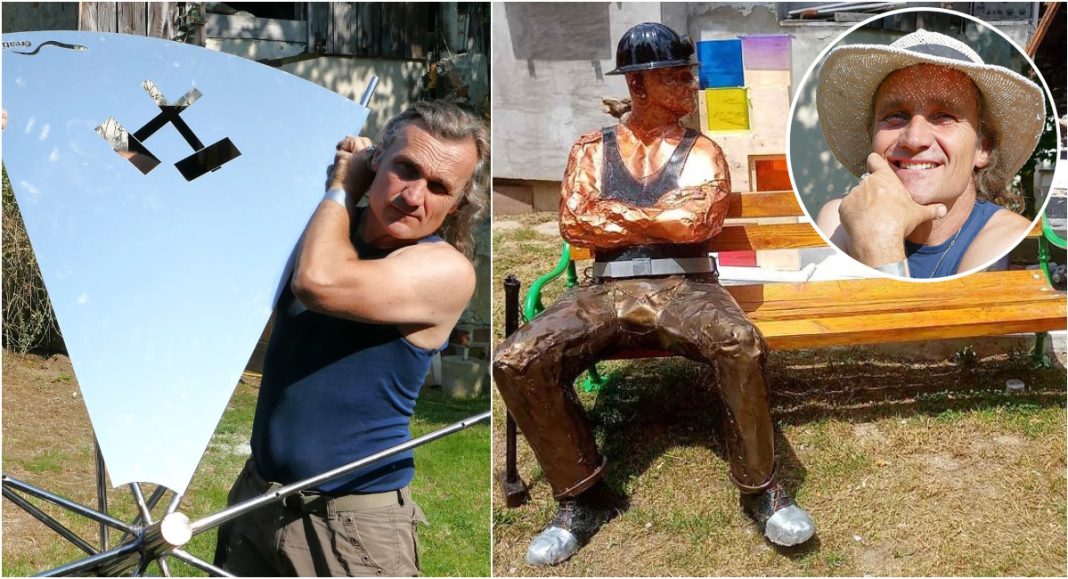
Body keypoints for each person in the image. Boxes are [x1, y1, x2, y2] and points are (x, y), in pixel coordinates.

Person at [492, 23, 815, 567]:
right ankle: (581, 497)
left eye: (689, 75)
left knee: (739, 342)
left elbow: (698, 222)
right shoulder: (592, 149)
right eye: (676, 77)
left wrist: (616, 216)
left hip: (686, 285)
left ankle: (762, 489)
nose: (692, 86)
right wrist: (657, 215)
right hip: (603, 289)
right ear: (638, 85)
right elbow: (576, 222)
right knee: (517, 358)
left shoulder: (703, 150)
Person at [214, 100, 489, 576]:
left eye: (439, 187)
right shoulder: (326, 229)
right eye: (406, 168)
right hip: (258, 498)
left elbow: (318, 282)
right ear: (377, 158)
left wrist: (343, 184)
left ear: (457, 204)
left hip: (350, 523)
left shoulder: (445, 271)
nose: (414, 195)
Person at [814, 29, 1045, 278]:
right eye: (895, 116)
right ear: (872, 138)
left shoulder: (1008, 240)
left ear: (983, 148)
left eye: (944, 117)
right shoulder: (839, 219)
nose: (914, 139)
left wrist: (882, 243)